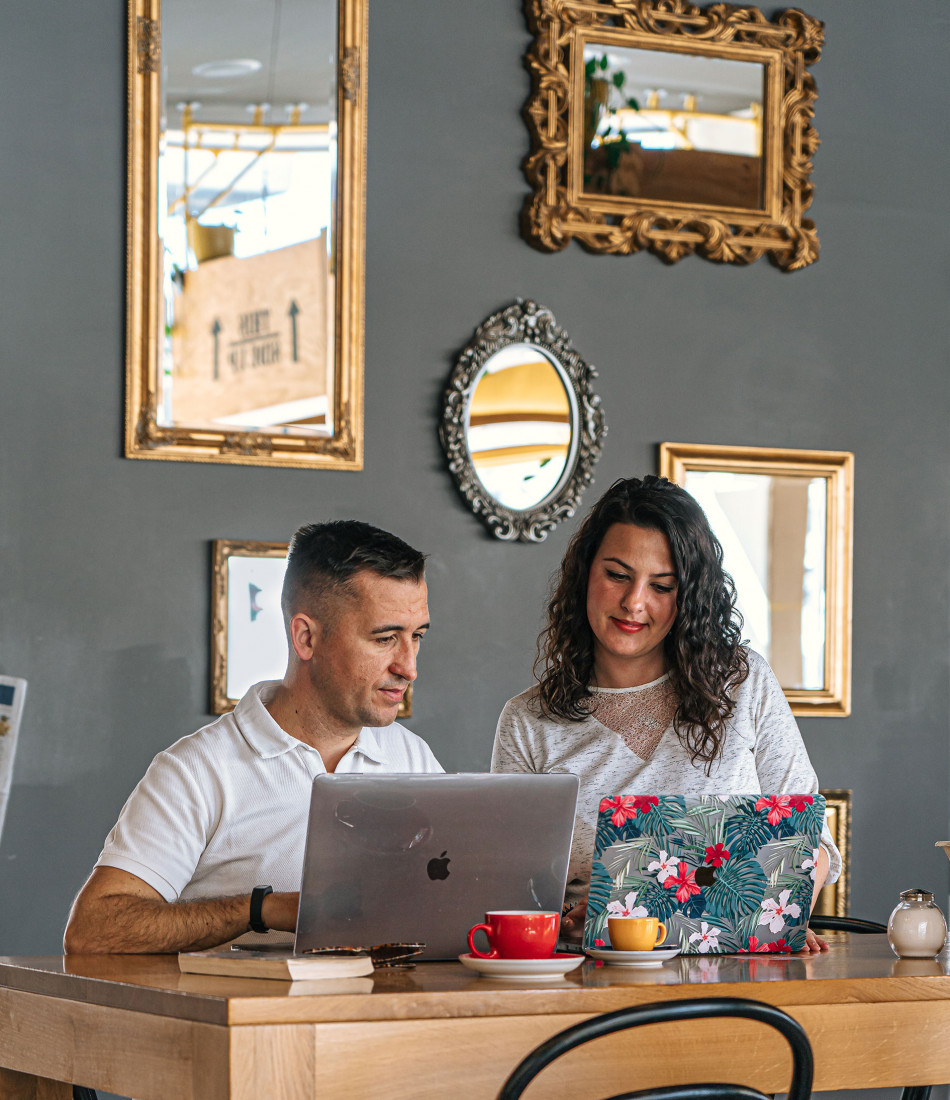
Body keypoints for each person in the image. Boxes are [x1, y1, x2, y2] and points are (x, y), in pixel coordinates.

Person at [491, 475, 840, 954]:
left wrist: (781, 917)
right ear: (583, 574)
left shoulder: (742, 683)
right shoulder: (527, 721)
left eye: (661, 586)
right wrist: (562, 924)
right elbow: (513, 891)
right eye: (617, 575)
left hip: (738, 975)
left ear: (688, 597)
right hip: (590, 979)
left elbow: (813, 845)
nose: (635, 602)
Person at [65, 520, 442, 954]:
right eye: (385, 638)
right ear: (306, 638)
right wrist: (264, 909)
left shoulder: (414, 757)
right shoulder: (197, 770)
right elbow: (92, 931)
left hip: (384, 1014)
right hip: (247, 1020)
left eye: (416, 637)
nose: (409, 667)